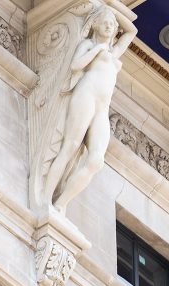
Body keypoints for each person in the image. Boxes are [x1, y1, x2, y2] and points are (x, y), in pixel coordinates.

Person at [42, 5, 136, 212]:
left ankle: (61, 203)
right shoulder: (89, 44)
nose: (110, 27)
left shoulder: (114, 52)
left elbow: (132, 31)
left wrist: (112, 8)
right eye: (106, 23)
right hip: (86, 95)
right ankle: (45, 198)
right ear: (95, 24)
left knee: (95, 160)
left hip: (102, 108)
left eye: (112, 25)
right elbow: (76, 65)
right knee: (70, 147)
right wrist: (96, 50)